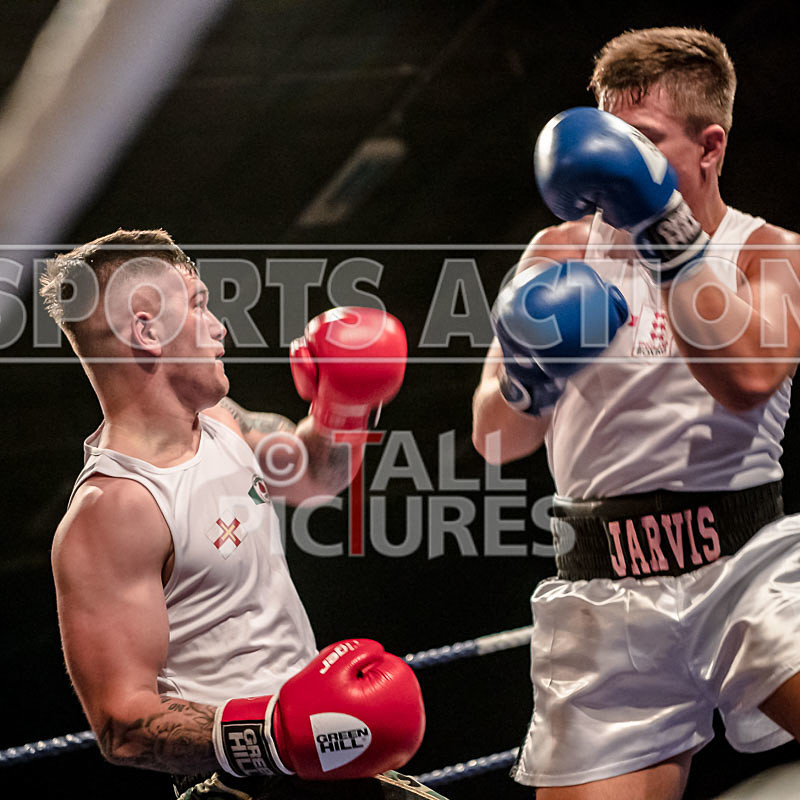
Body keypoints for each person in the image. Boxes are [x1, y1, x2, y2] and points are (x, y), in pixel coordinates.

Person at [472, 27, 800, 799]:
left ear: (709, 147)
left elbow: (749, 377)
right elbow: (492, 438)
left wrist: (667, 231)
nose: (615, 165)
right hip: (603, 590)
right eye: (609, 140)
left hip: (744, 564)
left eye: (643, 143)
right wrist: (529, 378)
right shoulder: (558, 251)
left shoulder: (769, 252)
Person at [41, 229, 444, 800]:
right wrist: (276, 732)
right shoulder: (113, 511)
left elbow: (314, 476)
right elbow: (122, 726)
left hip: (318, 751)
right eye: (200, 305)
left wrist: (345, 402)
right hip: (236, 782)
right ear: (147, 330)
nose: (219, 326)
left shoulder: (223, 422)